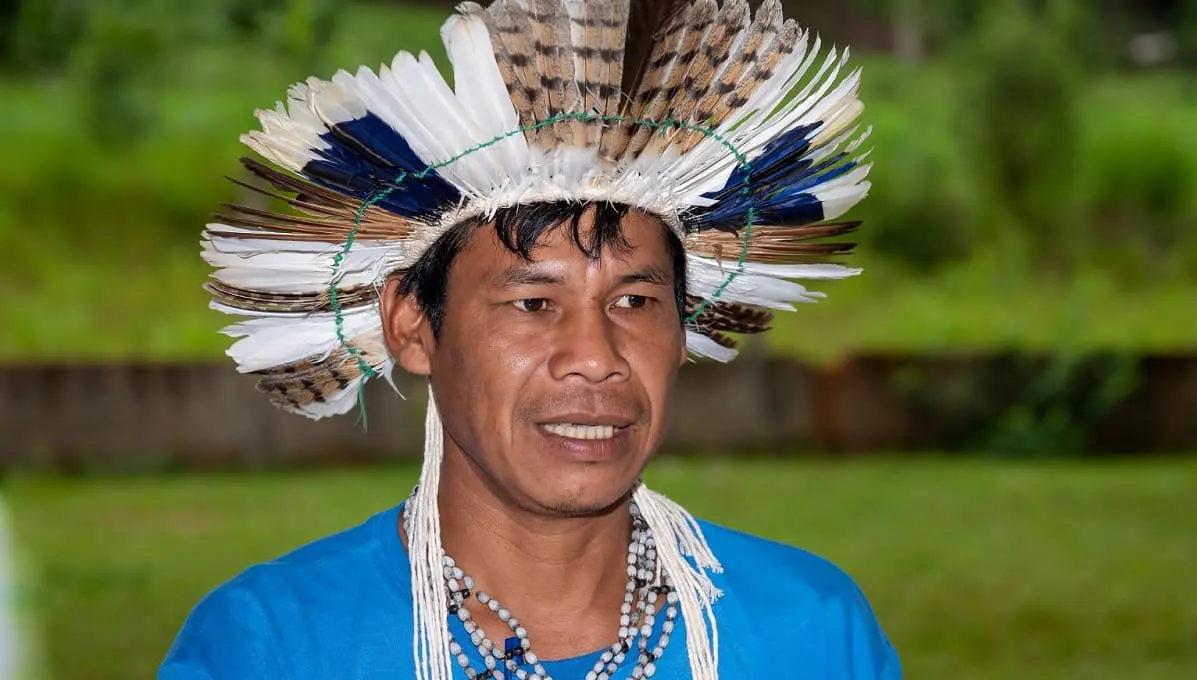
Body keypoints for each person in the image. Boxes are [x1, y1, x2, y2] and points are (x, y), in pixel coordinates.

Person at [160, 0, 900, 678]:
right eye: (534, 303)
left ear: (684, 329)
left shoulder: (810, 631)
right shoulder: (274, 647)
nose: (596, 358)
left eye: (636, 301)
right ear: (412, 326)